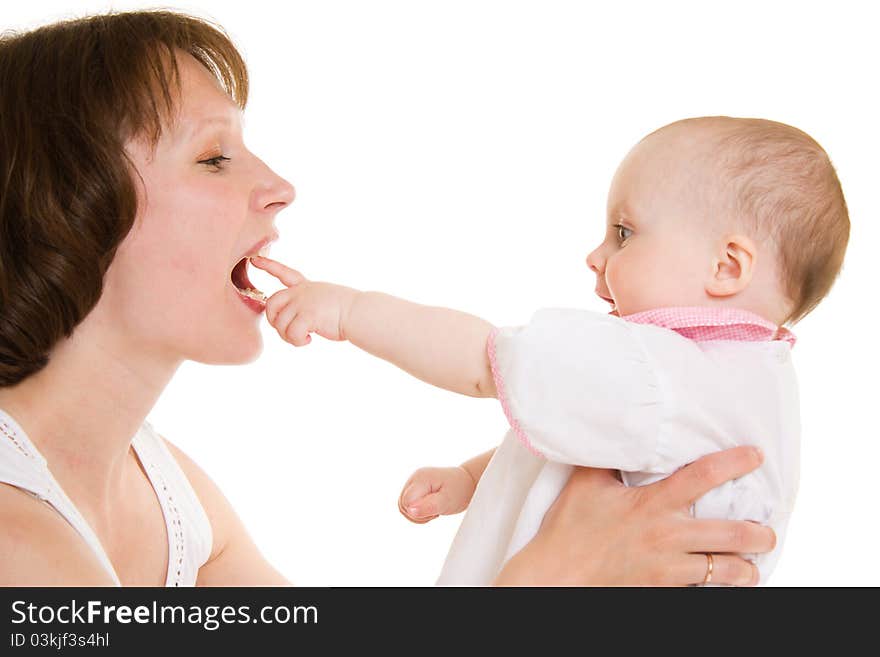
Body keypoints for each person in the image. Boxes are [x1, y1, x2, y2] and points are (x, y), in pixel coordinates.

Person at [0, 10, 774, 587]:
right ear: (68, 207)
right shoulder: (17, 541)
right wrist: (560, 574)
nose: (277, 187)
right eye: (212, 158)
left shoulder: (172, 495)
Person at [252, 116, 848, 585]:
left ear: (725, 266)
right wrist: (470, 477)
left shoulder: (658, 372)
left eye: (624, 232)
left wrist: (350, 311)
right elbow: (579, 444)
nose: (596, 256)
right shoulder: (738, 384)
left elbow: (482, 359)